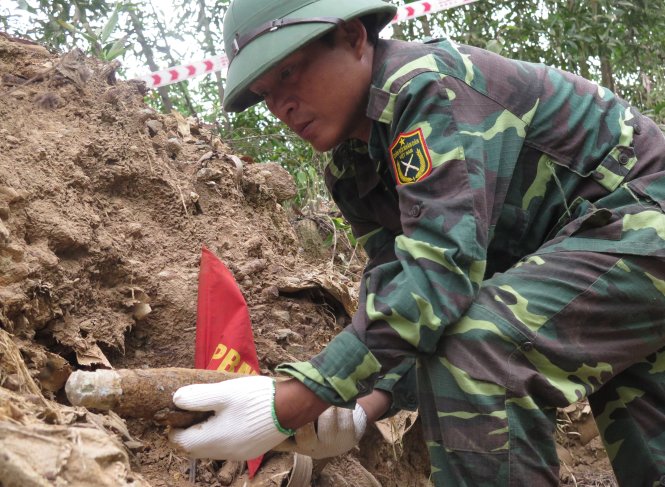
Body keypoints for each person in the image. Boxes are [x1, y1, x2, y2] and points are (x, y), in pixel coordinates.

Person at [169, 0, 665, 484]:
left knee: (480, 352)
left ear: (354, 37)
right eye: (264, 92)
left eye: (289, 73)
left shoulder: (425, 86)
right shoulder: (350, 168)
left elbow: (439, 276)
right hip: (604, 264)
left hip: (644, 224)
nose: (281, 105)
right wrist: (362, 408)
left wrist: (300, 396)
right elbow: (406, 295)